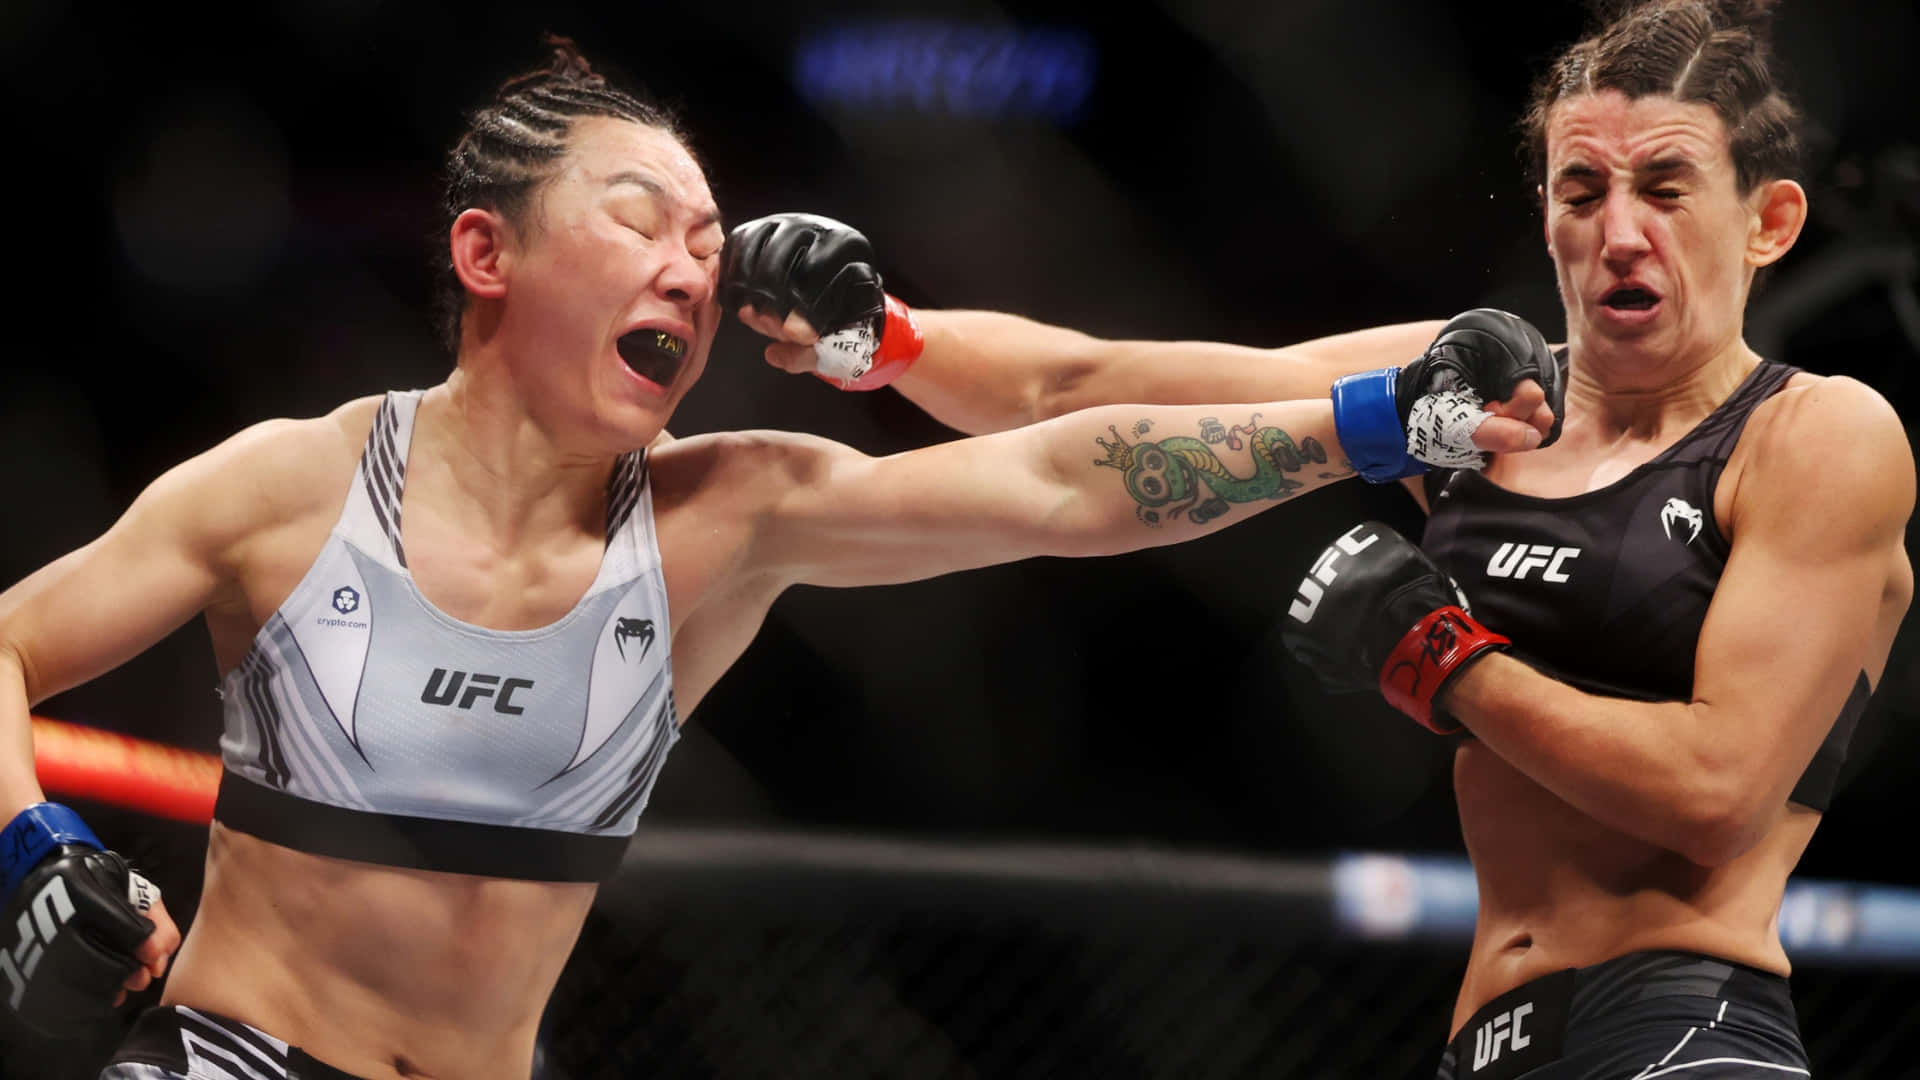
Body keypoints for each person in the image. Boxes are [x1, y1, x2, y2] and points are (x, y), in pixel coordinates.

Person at [0, 39, 1553, 1080]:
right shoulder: (292, 486)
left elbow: (1062, 472)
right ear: (488, 255)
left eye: (710, 243)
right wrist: (31, 854)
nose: (692, 270)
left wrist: (1371, 421)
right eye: (640, 224)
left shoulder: (724, 516)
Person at [732, 2, 1914, 1075]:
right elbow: (1088, 385)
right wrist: (887, 337)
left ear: (1768, 221)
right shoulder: (1476, 400)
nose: (1619, 232)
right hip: (1486, 1039)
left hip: (1685, 1031)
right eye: (1581, 190)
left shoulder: (1816, 435)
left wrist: (1442, 659)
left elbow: (1716, 794)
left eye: (1665, 188)